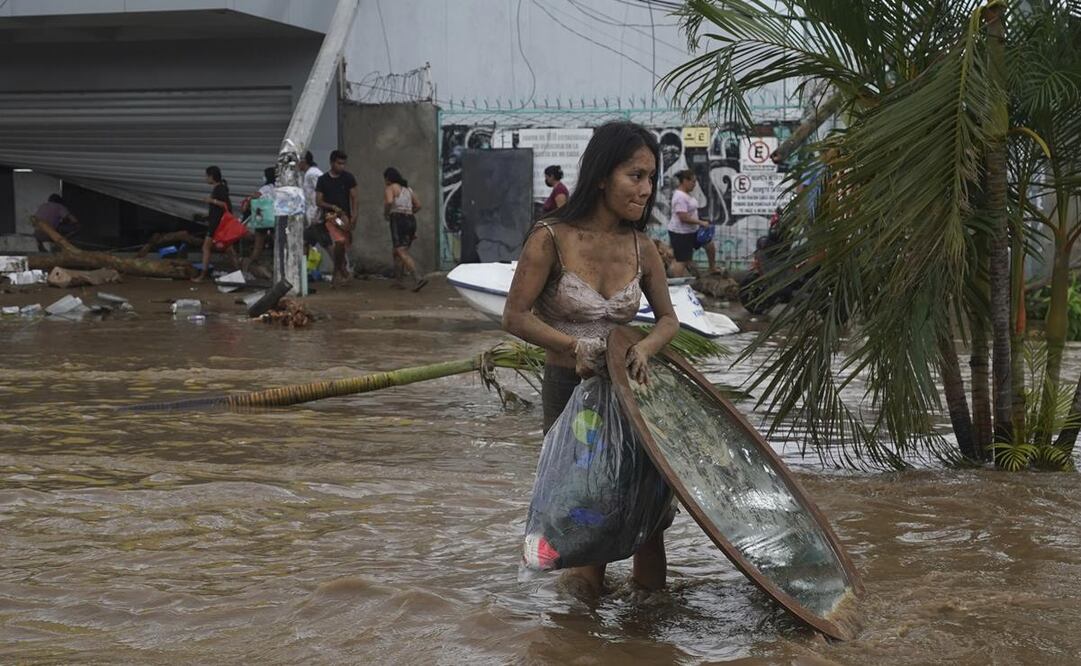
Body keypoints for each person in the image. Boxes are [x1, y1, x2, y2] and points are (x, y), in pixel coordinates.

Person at [502, 121, 680, 596]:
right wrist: (572, 346)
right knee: (584, 517)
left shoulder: (643, 248)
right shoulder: (550, 238)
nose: (645, 189)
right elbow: (515, 316)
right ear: (602, 175)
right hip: (571, 396)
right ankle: (581, 639)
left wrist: (643, 348)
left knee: (648, 520)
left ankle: (646, 634)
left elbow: (668, 320)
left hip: (636, 399)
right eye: (634, 176)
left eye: (650, 178)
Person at [316, 150, 358, 285]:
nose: (342, 166)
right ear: (332, 162)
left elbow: (354, 197)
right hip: (330, 217)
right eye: (339, 163)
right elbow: (319, 201)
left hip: (344, 217)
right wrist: (332, 207)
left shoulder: (348, 178)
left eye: (344, 164)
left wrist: (354, 215)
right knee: (339, 241)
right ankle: (341, 271)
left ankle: (337, 271)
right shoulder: (322, 180)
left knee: (343, 245)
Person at [383, 167, 427, 292]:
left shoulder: (391, 188)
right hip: (411, 220)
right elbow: (418, 205)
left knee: (401, 251)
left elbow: (389, 201)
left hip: (397, 219)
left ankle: (417, 278)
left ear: (388, 179)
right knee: (397, 252)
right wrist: (409, 212)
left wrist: (386, 213)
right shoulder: (408, 189)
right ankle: (398, 281)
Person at [193, 165, 239, 282]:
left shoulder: (220, 188)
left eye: (207, 176)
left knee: (206, 248)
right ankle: (239, 273)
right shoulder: (220, 188)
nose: (205, 178)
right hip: (218, 223)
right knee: (229, 249)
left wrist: (211, 200)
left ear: (212, 176)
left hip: (217, 225)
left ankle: (202, 275)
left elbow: (225, 205)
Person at [666, 169, 710, 277]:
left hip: (692, 231)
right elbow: (683, 217)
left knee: (709, 244)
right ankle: (675, 284)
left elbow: (690, 212)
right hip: (681, 233)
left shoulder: (686, 195)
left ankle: (712, 268)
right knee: (682, 260)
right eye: (693, 182)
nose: (694, 185)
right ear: (685, 181)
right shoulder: (679, 197)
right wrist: (701, 222)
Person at [244, 166, 277, 270]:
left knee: (258, 247)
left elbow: (254, 196)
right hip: (274, 219)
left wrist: (248, 201)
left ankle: (247, 268)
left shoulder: (265, 188)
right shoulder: (278, 188)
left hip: (262, 220)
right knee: (276, 245)